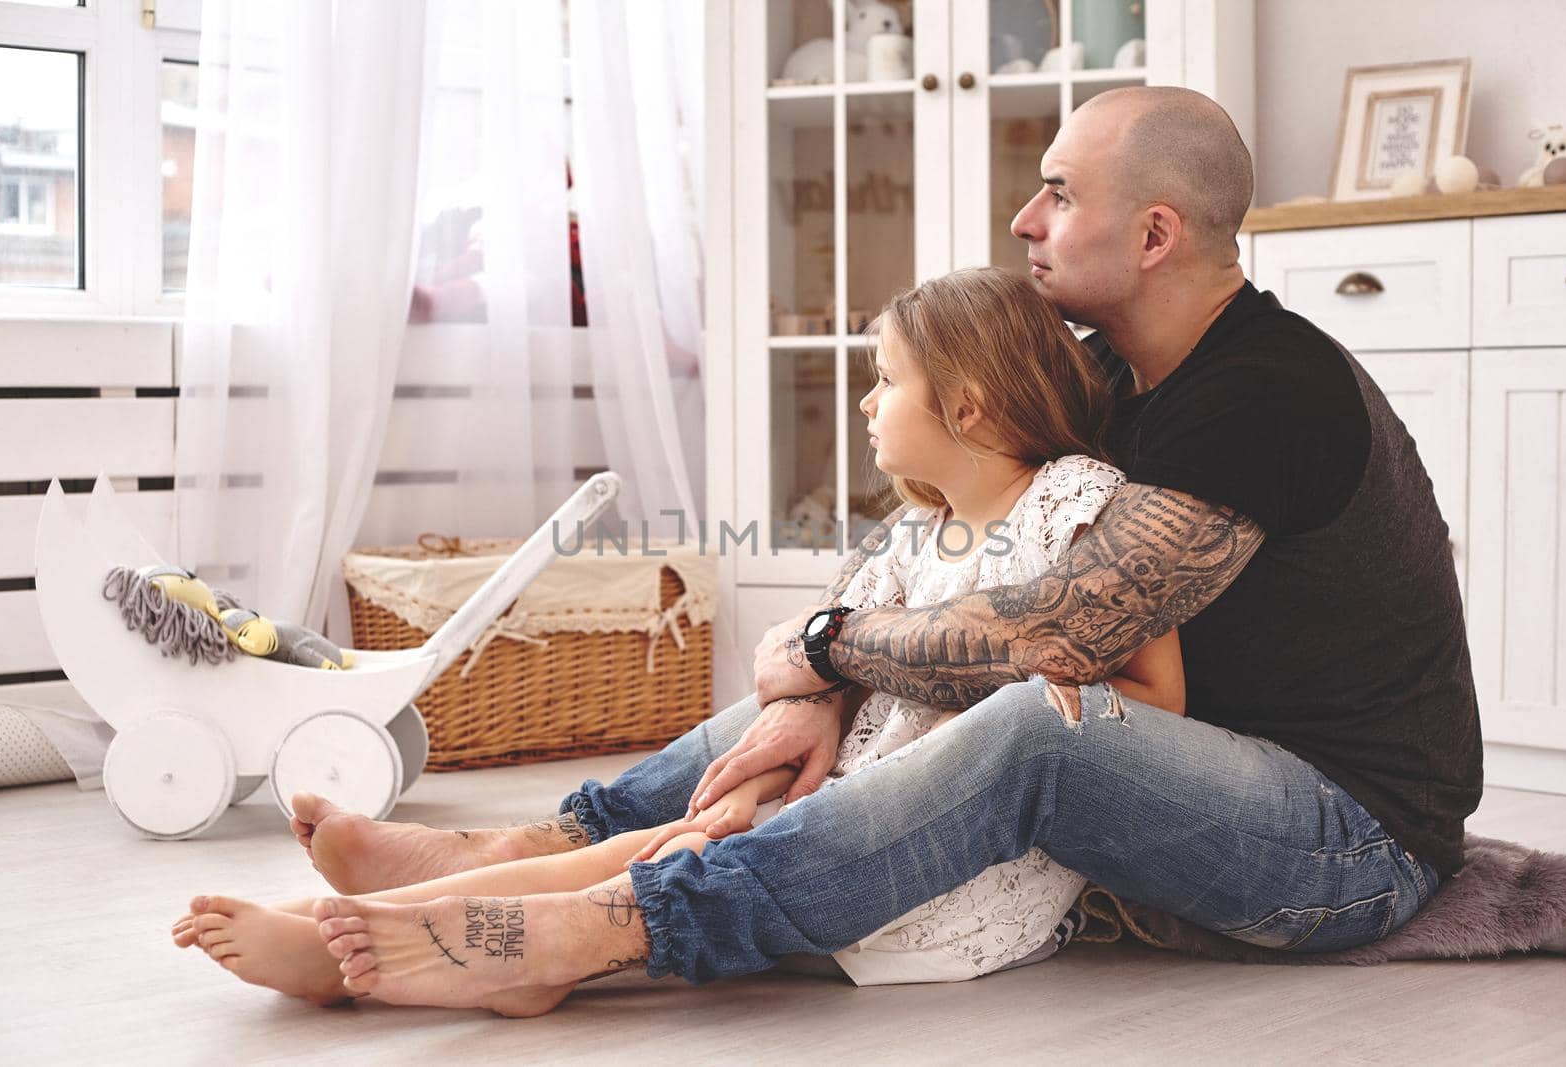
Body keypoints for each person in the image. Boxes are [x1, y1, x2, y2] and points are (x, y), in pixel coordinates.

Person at [185, 84, 1481, 1014]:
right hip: (1218, 777)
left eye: (1059, 192)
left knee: (1036, 722)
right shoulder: (1114, 376)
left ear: (1155, 235)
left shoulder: (1266, 391)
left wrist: (828, 648)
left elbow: (1053, 634)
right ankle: (516, 852)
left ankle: (602, 924)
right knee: (871, 668)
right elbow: (960, 573)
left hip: (1349, 839)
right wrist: (826, 676)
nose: (1024, 217)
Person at [174, 266, 1187, 1000]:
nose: (868, 401)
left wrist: (1053, 707)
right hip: (842, 805)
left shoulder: (1075, 504)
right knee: (678, 835)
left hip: (950, 862)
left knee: (673, 851)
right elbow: (801, 663)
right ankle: (396, 927)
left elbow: (1158, 694)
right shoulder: (919, 531)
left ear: (965, 403)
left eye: (886, 380)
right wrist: (756, 773)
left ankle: (403, 935)